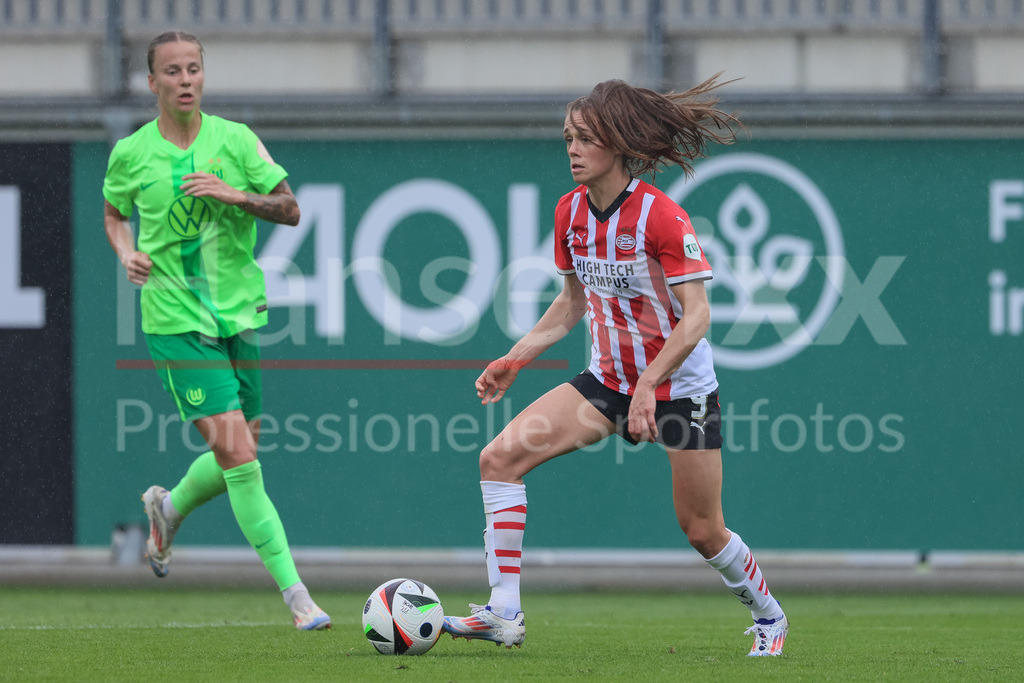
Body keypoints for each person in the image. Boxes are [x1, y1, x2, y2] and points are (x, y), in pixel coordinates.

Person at [442, 76, 789, 656]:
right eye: (567, 138)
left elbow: (698, 316)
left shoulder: (662, 217)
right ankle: (503, 612)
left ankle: (770, 617)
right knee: (498, 459)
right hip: (607, 383)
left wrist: (651, 383)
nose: (572, 149)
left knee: (702, 529)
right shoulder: (569, 212)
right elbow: (572, 302)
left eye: (585, 138)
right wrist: (515, 358)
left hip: (680, 390)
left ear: (619, 144)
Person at [102, 31, 330, 630]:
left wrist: (234, 195)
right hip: (174, 320)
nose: (185, 80)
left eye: (193, 69)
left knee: (241, 451)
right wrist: (126, 252)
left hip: (238, 315)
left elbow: (291, 209)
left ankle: (168, 507)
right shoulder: (131, 153)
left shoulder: (235, 141)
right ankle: (298, 598)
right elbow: (114, 213)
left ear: (203, 76)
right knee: (241, 459)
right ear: (152, 82)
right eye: (172, 71)